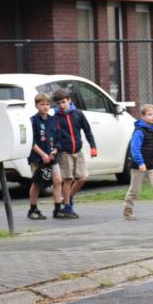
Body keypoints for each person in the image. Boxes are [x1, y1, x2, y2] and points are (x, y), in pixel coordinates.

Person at [52, 88, 97, 219]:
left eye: (63, 102)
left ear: (69, 101)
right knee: (68, 179)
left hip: (78, 151)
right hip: (64, 153)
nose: (61, 105)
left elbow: (87, 131)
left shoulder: (78, 114)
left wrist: (93, 146)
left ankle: (69, 197)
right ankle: (67, 206)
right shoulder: (55, 118)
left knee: (83, 178)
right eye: (58, 103)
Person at [27, 93, 65, 220]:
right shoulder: (33, 121)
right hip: (38, 158)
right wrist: (42, 154)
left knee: (58, 180)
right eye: (42, 104)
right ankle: (33, 209)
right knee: (37, 183)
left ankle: (58, 208)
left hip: (52, 157)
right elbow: (31, 142)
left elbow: (58, 138)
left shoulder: (53, 120)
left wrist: (55, 150)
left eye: (48, 104)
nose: (45, 107)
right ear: (36, 105)